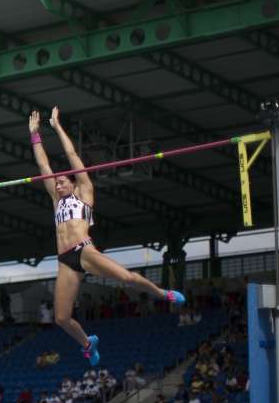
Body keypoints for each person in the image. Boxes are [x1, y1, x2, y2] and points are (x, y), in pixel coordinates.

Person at [29, 107, 185, 364]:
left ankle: (162, 293)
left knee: (126, 278)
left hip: (83, 250)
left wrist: (57, 127)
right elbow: (43, 164)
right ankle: (87, 344)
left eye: (62, 181)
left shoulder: (84, 192)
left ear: (73, 183)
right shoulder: (56, 201)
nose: (58, 184)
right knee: (61, 318)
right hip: (65, 260)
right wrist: (35, 134)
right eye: (56, 183)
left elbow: (72, 154)